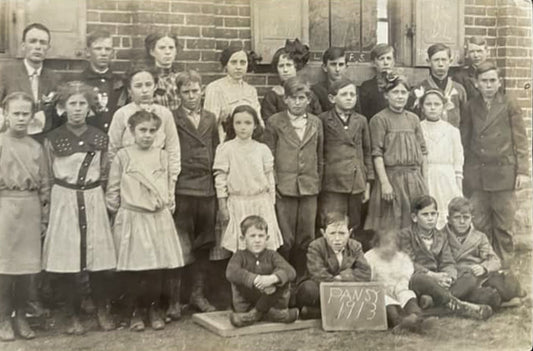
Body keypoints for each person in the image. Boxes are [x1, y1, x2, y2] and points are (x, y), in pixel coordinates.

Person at [42, 81, 116, 335]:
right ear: (62, 108)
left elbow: (105, 172)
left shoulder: (99, 138)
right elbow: (47, 175)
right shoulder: (52, 139)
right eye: (71, 104)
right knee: (68, 258)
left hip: (93, 198)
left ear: (90, 108)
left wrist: (106, 200)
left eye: (82, 104)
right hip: (65, 200)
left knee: (99, 258)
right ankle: (72, 313)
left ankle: (101, 308)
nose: (77, 109)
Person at [106, 110, 188, 332]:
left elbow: (168, 184)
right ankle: (134, 312)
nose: (147, 135)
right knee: (135, 268)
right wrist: (118, 213)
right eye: (142, 130)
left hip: (157, 217)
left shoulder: (162, 155)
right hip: (133, 216)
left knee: (156, 268)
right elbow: (113, 189)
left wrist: (168, 204)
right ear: (132, 131)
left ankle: (153, 308)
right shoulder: (123, 156)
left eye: (152, 131)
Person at [460, 61, 529, 268]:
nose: (488, 85)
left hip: (503, 175)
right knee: (480, 225)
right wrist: (464, 171)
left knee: (503, 227)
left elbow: (521, 140)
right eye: (484, 81)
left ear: (499, 83)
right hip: (478, 175)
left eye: (492, 81)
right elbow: (465, 139)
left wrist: (523, 171)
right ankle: (485, 272)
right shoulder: (470, 106)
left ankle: (505, 273)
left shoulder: (509, 104)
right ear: (476, 83)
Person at [0, 93, 50, 341]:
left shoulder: (35, 147)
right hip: (5, 208)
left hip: (29, 208)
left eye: (25, 114)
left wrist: (44, 217)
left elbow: (45, 185)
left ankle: (21, 315)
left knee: (26, 269)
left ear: (32, 117)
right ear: (6, 115)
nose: (20, 118)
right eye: (16, 113)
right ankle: (3, 318)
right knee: (4, 268)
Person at [264, 77, 323, 278]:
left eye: (302, 98)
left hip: (309, 187)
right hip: (284, 188)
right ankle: (284, 279)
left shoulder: (316, 122)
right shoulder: (275, 122)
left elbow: (320, 155)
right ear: (286, 100)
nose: (298, 102)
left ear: (308, 99)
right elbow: (268, 156)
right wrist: (275, 184)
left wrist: (317, 181)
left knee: (306, 236)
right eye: (293, 98)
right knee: (286, 238)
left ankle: (302, 281)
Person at [398, 195, 493, 320]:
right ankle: (460, 306)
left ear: (438, 215)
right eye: (425, 215)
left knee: (469, 277)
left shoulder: (440, 236)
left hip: (438, 284)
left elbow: (447, 262)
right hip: (417, 279)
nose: (430, 219)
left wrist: (449, 277)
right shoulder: (405, 235)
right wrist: (433, 275)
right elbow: (409, 263)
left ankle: (434, 307)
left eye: (433, 214)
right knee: (420, 279)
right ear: (415, 217)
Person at [173, 70, 219, 314]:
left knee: (204, 244)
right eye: (186, 92)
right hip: (183, 188)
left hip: (206, 190)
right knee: (182, 243)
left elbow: (215, 149)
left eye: (195, 91)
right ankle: (177, 298)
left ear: (202, 90)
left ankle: (198, 295)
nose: (191, 96)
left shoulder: (210, 118)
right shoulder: (173, 118)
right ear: (178, 94)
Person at [214, 105, 282, 254]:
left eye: (247, 123)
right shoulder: (225, 149)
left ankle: (262, 276)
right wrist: (223, 205)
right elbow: (220, 179)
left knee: (262, 244)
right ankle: (241, 276)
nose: (242, 127)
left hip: (261, 203)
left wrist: (271, 202)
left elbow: (269, 178)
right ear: (232, 125)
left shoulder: (262, 149)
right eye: (238, 123)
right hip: (238, 204)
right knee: (241, 246)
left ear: (255, 125)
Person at [364, 72, 428, 232]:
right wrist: (385, 184)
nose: (400, 96)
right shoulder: (379, 120)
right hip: (392, 180)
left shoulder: (413, 119)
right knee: (392, 227)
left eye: (403, 92)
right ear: (386, 95)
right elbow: (377, 154)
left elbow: (423, 152)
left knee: (414, 225)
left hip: (414, 180)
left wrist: (424, 181)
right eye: (395, 92)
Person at [442, 197, 526, 311]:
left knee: (507, 281)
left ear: (472, 218)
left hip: (480, 278)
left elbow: (495, 260)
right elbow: (440, 261)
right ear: (449, 219)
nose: (462, 222)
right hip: (458, 279)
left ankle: (498, 297)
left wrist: (483, 267)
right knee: (488, 294)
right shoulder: (441, 236)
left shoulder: (479, 237)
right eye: (457, 218)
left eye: (466, 218)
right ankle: (494, 299)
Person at [319, 78, 373, 233]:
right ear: (332, 98)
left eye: (352, 94)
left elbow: (367, 152)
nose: (349, 97)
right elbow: (319, 152)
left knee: (353, 225)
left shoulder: (361, 121)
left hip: (356, 183)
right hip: (333, 183)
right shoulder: (323, 120)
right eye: (344, 94)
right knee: (333, 223)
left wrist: (367, 184)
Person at [107, 63, 180, 178]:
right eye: (138, 86)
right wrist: (118, 176)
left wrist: (172, 178)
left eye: (148, 84)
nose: (144, 90)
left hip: (157, 175)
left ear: (155, 86)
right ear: (130, 90)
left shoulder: (165, 114)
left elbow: (173, 149)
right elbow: (113, 149)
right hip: (129, 175)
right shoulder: (121, 114)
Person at [226, 215, 298, 327]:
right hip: (247, 303)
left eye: (261, 236)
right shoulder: (239, 256)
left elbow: (291, 271)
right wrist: (255, 280)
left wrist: (272, 278)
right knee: (238, 278)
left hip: (272, 301)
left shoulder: (272, 255)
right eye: (252, 236)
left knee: (283, 278)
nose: (257, 240)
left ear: (267, 238)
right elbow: (231, 272)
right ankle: (275, 315)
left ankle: (254, 315)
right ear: (243, 239)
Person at [295, 212, 371, 319]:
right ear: (323, 233)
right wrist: (339, 283)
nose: (337, 238)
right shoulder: (315, 246)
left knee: (364, 291)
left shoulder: (355, 246)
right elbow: (318, 275)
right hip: (323, 290)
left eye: (342, 233)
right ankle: (332, 311)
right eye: (332, 233)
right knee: (309, 289)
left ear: (349, 233)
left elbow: (365, 272)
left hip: (346, 291)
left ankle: (318, 313)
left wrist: (342, 277)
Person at [0, 23, 61, 139]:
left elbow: (57, 115)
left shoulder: (54, 78)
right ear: (23, 46)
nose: (38, 47)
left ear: (48, 48)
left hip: (43, 142)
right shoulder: (6, 74)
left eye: (42, 42)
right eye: (32, 41)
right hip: (13, 141)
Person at [365, 230, 429, 334]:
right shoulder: (370, 257)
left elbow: (405, 276)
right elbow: (368, 277)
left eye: (393, 244)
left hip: (399, 288)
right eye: (385, 245)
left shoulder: (402, 257)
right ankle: (399, 323)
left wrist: (399, 289)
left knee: (407, 296)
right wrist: (381, 289)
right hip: (380, 292)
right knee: (387, 303)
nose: (390, 248)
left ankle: (416, 317)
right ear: (376, 245)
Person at [419, 89, 463, 229]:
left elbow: (458, 158)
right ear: (422, 107)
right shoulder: (418, 128)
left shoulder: (452, 131)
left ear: (443, 107)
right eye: (428, 104)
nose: (432, 107)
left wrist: (458, 183)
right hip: (427, 175)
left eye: (437, 104)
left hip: (447, 177)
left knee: (449, 210)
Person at [204, 44, 262, 142]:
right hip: (224, 141)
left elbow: (258, 120)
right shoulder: (215, 88)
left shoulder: (251, 90)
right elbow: (210, 125)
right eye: (234, 62)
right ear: (226, 64)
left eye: (243, 62)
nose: (238, 67)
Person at [261, 39, 321, 121]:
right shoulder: (272, 96)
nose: (285, 70)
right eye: (281, 66)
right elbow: (269, 122)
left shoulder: (309, 93)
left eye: (289, 65)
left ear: (296, 67)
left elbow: (317, 119)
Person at [79, 30, 125, 133]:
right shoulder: (79, 82)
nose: (103, 53)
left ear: (112, 53)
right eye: (98, 49)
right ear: (87, 52)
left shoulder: (121, 82)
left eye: (107, 49)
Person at [412, 43, 467, 128]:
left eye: (444, 60)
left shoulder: (459, 89)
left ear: (450, 61)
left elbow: (465, 120)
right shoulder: (419, 90)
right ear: (429, 62)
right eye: (436, 60)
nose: (440, 64)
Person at [145, 33, 181, 112]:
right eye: (162, 48)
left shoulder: (181, 78)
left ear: (176, 51)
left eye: (171, 48)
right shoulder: (146, 79)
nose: (168, 52)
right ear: (152, 52)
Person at [359, 43, 395, 121]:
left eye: (389, 58)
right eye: (381, 59)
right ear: (374, 63)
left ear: (393, 62)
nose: (386, 62)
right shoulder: (367, 87)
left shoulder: (399, 84)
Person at [311, 47, 348, 112]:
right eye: (333, 64)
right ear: (325, 67)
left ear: (346, 68)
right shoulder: (317, 90)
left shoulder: (352, 89)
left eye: (341, 65)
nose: (337, 69)